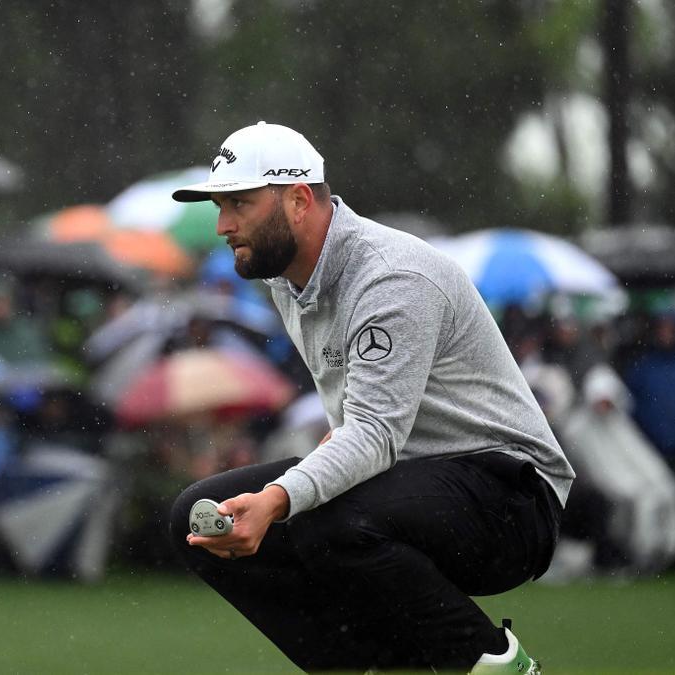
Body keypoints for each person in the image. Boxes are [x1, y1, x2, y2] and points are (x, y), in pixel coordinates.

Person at [167, 122, 574, 673]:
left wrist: (277, 498)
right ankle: (369, 665)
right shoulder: (287, 278)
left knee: (318, 517)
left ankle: (495, 664)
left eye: (239, 203)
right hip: (411, 482)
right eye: (221, 206)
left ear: (299, 200)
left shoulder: (392, 277)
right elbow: (362, 427)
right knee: (194, 518)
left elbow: (376, 434)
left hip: (514, 500)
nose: (223, 225)